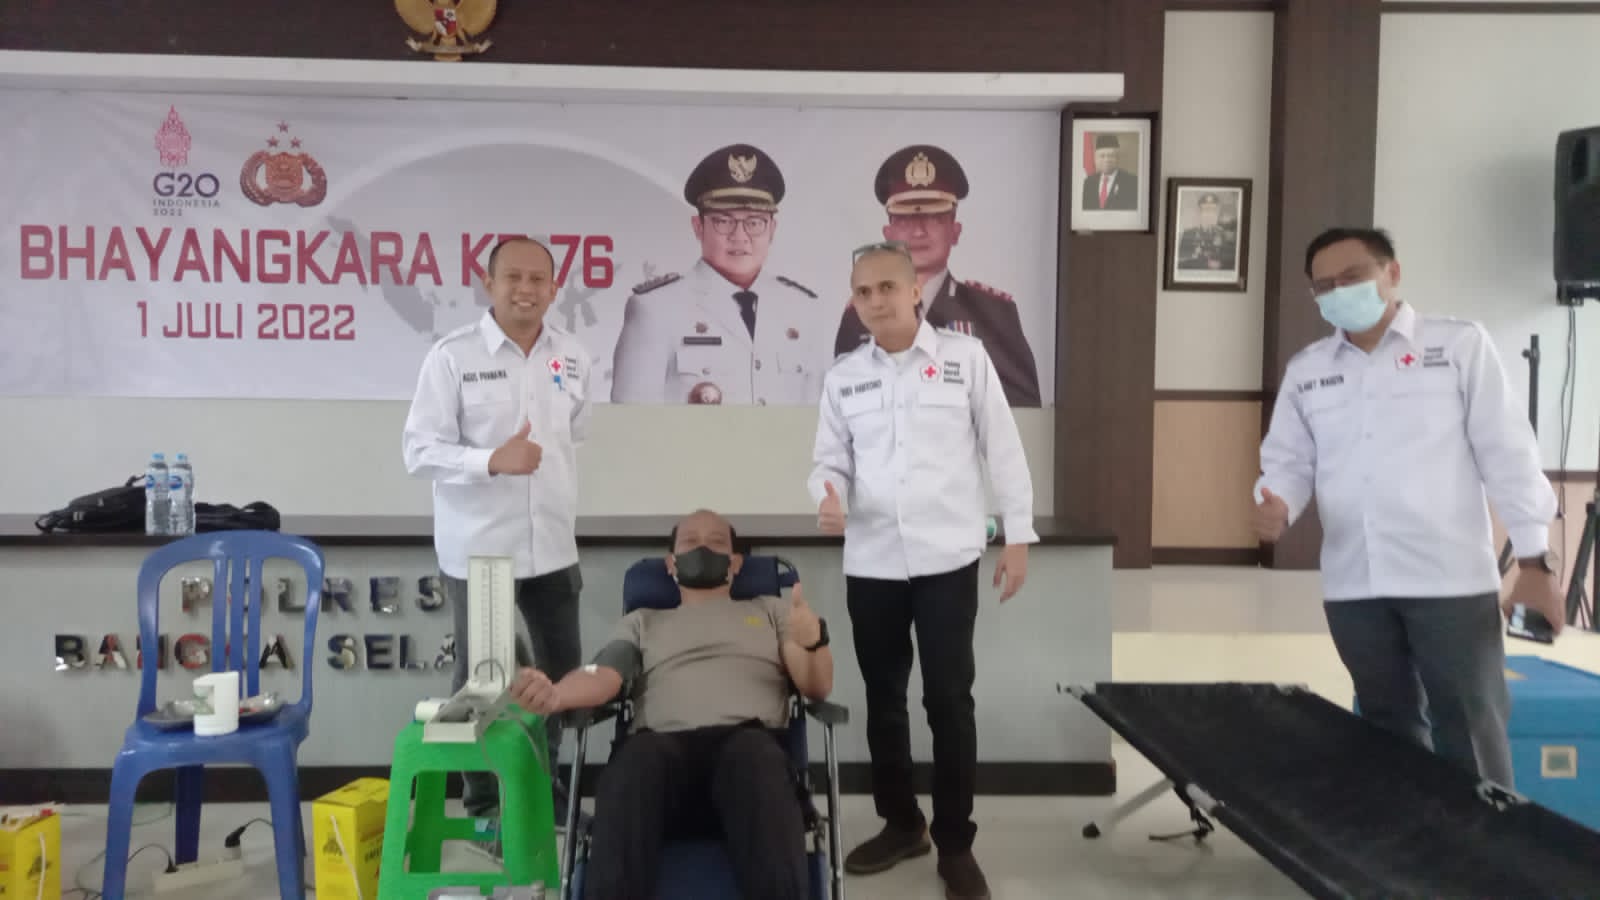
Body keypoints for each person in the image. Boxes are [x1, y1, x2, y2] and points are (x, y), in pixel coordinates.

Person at [1254, 226, 1563, 788]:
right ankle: (1404, 838)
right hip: (1355, 585)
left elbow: (1508, 455)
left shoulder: (1459, 346)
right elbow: (1289, 463)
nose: (1338, 292)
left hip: (1449, 582)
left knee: (1470, 726)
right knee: (1385, 728)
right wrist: (1275, 502)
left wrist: (1536, 561)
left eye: (1351, 277)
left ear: (1391, 273)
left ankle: (1481, 841)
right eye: (1324, 286)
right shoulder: (1308, 370)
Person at [810, 242, 1036, 900]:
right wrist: (827, 493)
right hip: (873, 560)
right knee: (883, 699)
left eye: (887, 287)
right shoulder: (844, 375)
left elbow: (1003, 448)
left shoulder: (966, 359)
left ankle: (956, 841)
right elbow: (829, 459)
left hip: (947, 559)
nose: (875, 301)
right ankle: (902, 823)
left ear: (915, 291)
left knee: (948, 700)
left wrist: (1018, 536)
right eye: (863, 292)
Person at [510, 509, 834, 900]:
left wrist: (814, 642)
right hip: (659, 757)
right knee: (635, 760)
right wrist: (557, 694)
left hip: (750, 754)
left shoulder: (771, 610)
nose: (702, 548)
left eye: (716, 542)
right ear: (671, 563)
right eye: (690, 542)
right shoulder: (642, 621)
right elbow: (603, 674)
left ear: (736, 563)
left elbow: (816, 686)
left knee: (753, 755)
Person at [401, 236, 591, 834]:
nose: (526, 289)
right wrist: (489, 460)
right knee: (482, 680)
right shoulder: (452, 356)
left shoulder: (573, 356)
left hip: (553, 546)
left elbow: (571, 436)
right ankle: (484, 801)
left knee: (559, 676)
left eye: (538, 279)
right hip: (481, 551)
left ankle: (545, 793)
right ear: (488, 283)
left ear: (554, 289)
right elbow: (418, 450)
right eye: (513, 277)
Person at [610, 143, 828, 406]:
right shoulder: (655, 308)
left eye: (754, 222)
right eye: (723, 221)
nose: (740, 236)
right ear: (698, 227)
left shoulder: (804, 310)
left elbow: (818, 419)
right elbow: (632, 422)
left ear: (772, 229)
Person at [832, 144, 1041, 407]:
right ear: (888, 235)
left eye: (934, 218)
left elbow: (1023, 411)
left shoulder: (993, 312)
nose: (919, 232)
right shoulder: (858, 316)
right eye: (905, 220)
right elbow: (842, 405)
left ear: (955, 231)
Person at [1176, 192, 1238, 271]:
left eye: (1213, 210)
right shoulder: (1189, 234)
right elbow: (1180, 263)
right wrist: (1205, 264)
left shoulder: (1223, 234)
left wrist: (1221, 264)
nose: (1209, 214)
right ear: (1200, 213)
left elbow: (1232, 263)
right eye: (1206, 210)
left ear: (1216, 213)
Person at [1081, 133, 1138, 211]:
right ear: (1095, 158)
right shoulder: (1088, 182)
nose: (1107, 160)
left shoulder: (1132, 182)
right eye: (1102, 156)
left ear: (1117, 158)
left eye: (1111, 155)